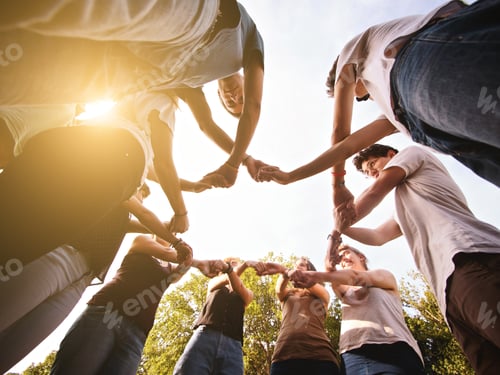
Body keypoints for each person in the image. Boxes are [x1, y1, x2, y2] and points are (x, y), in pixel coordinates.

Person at [1, 0, 266, 189]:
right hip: (200, 20)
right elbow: (253, 106)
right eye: (237, 99)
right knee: (86, 9)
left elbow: (206, 124)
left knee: (46, 79)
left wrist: (242, 160)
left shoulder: (194, 82)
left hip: (140, 69)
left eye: (231, 104)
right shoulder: (250, 37)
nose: (235, 98)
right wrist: (237, 161)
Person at [258, 0, 499, 191]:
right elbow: (349, 146)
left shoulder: (355, 53)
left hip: (422, 61)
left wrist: (337, 186)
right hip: (429, 123)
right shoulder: (393, 114)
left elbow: (341, 134)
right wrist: (291, 176)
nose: (367, 99)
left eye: (359, 97)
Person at [332, 143, 500, 375]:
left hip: (469, 257)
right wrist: (342, 229)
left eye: (372, 165)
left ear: (391, 155)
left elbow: (374, 192)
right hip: (448, 294)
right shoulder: (403, 204)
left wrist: (342, 217)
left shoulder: (413, 154)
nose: (372, 174)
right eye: (369, 173)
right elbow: (377, 236)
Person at [50, 234, 223, 375]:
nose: (172, 235)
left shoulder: (168, 267)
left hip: (137, 334)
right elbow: (170, 254)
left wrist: (199, 265)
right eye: (168, 231)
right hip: (107, 314)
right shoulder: (141, 241)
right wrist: (200, 262)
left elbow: (179, 270)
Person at [291, 245, 425, 374]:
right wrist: (333, 240)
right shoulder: (344, 291)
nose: (343, 259)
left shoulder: (384, 276)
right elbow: (330, 269)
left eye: (347, 253)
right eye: (340, 257)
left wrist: (312, 276)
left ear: (361, 257)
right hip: (353, 357)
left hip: (393, 348)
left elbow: (356, 277)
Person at [173, 258, 263, 375]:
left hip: (233, 344)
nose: (232, 268)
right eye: (229, 265)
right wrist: (244, 265)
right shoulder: (213, 283)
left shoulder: (248, 293)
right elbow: (227, 277)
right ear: (220, 270)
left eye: (235, 266)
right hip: (205, 336)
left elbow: (238, 287)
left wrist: (232, 269)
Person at [268, 257, 340, 375]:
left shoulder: (322, 295)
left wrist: (298, 275)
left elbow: (312, 284)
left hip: (321, 358)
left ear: (310, 269)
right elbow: (278, 288)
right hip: (284, 356)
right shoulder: (287, 294)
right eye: (295, 266)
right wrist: (285, 272)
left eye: (301, 265)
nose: (297, 267)